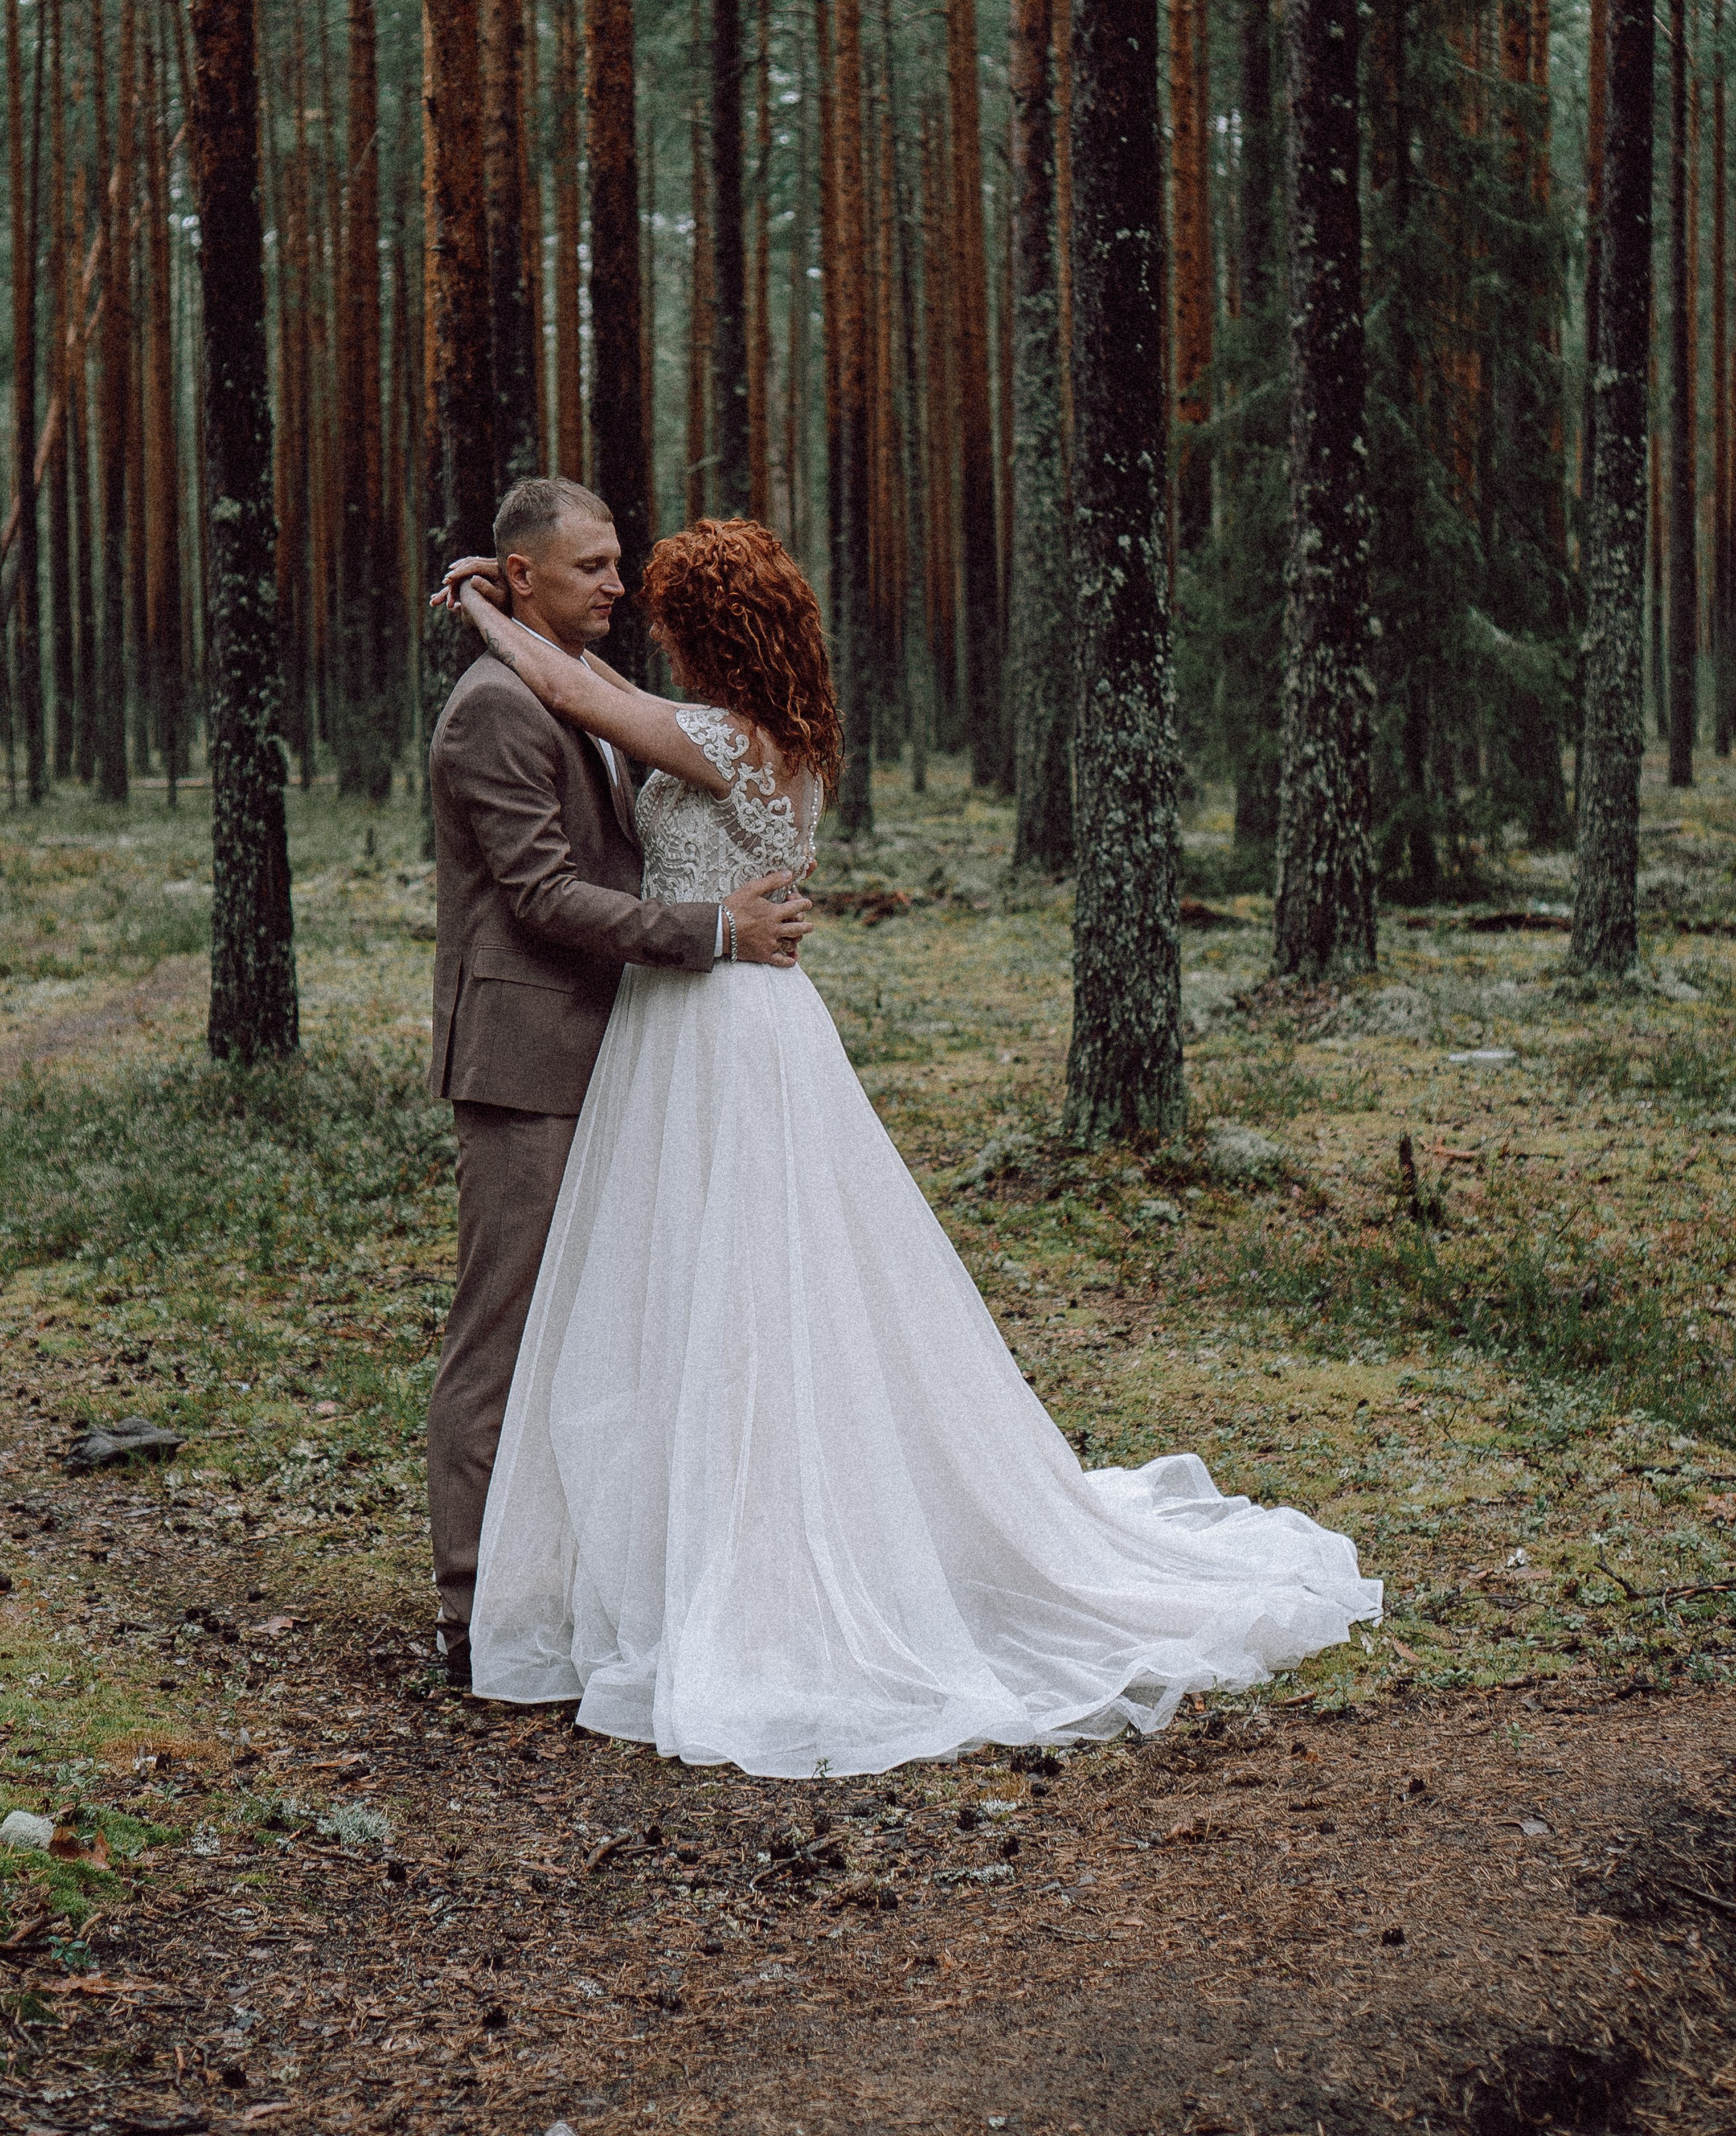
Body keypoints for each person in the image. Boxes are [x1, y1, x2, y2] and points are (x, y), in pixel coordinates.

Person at [438, 516, 1380, 1776]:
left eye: (661, 600)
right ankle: (663, 1552)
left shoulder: (723, 741)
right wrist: (511, 619)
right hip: (705, 1027)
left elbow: (575, 687)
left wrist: (483, 611)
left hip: (718, 1030)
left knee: (745, 1301)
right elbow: (600, 693)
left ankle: (743, 1559)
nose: (636, 609)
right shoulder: (763, 732)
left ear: (709, 630)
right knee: (718, 1298)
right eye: (608, 577)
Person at [424, 478, 811, 1690]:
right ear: (525, 571)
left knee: (640, 1324)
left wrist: (487, 609)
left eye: (625, 568)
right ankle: (472, 1608)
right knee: (504, 1328)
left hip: (657, 1050)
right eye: (593, 566)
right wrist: (708, 928)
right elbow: (538, 895)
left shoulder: (642, 710)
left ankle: (597, 1580)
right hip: (537, 1057)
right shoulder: (497, 708)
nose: (619, 587)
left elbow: (601, 702)